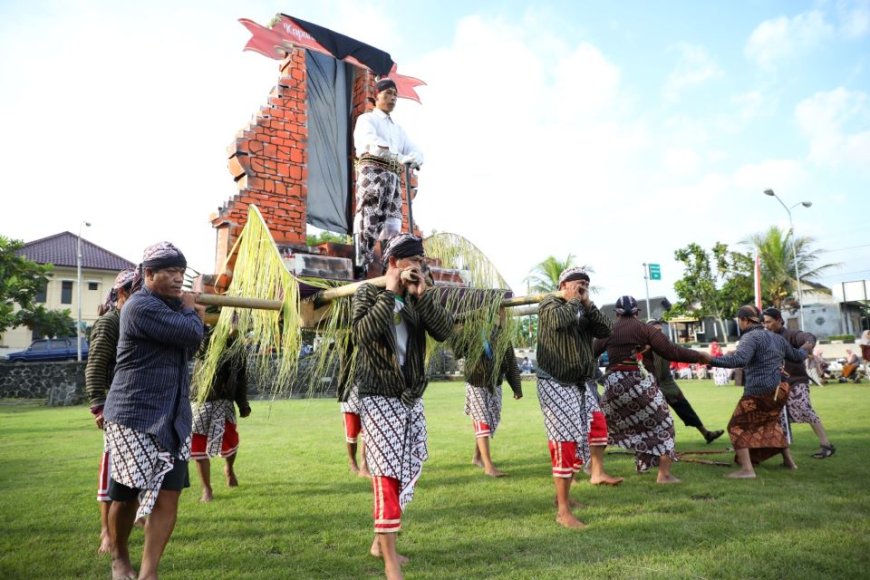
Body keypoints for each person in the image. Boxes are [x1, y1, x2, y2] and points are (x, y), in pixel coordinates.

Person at [352, 234, 452, 580]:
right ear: (395, 262)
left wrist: (421, 295)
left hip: (410, 396)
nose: (419, 267)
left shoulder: (420, 293)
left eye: (421, 262)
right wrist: (391, 293)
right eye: (413, 262)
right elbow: (362, 334)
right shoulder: (368, 291)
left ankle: (381, 544)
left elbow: (444, 331)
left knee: (408, 468)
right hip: (378, 395)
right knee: (386, 475)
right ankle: (390, 561)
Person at [102, 242, 205, 580]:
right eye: (170, 273)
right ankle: (119, 557)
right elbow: (192, 334)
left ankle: (149, 573)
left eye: (181, 273)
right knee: (127, 494)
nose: (178, 279)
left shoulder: (171, 307)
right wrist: (194, 308)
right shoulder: (140, 306)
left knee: (169, 495)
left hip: (173, 417)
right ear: (148, 275)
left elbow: (192, 340)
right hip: (135, 416)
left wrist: (190, 308)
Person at [536, 267, 622, 530]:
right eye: (578, 284)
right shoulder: (549, 303)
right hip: (554, 383)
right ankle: (562, 511)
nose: (582, 287)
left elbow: (606, 330)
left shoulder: (583, 308)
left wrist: (587, 303)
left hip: (579, 385)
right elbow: (557, 322)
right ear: (564, 284)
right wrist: (572, 299)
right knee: (564, 443)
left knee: (581, 437)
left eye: (586, 284)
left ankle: (565, 500)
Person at [594, 300, 705, 484]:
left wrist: (595, 377)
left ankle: (596, 472)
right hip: (638, 382)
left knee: (603, 428)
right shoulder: (645, 329)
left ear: (617, 314)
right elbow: (671, 351)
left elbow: (589, 353)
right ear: (637, 312)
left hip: (613, 383)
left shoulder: (609, 330)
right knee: (664, 424)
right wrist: (701, 357)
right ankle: (664, 475)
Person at [706, 305, 810, 479]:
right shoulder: (776, 338)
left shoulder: (750, 337)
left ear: (744, 320)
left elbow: (739, 359)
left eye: (739, 321)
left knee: (736, 426)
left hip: (759, 391)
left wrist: (710, 360)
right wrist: (808, 344)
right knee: (770, 424)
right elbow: (798, 356)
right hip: (780, 389)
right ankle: (789, 462)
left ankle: (747, 470)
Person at [86, 268, 137, 554]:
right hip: (114, 407)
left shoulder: (135, 320)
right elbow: (94, 366)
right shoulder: (110, 323)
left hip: (135, 407)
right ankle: (106, 531)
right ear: (121, 293)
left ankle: (132, 518)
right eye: (135, 291)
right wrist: (98, 406)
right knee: (111, 471)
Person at [352, 78, 424, 275]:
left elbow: (414, 149)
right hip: (373, 174)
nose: (392, 98)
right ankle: (359, 269)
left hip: (392, 178)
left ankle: (388, 269)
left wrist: (415, 158)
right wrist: (400, 156)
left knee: (392, 224)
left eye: (394, 95)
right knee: (369, 219)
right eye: (387, 94)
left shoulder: (398, 129)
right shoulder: (367, 120)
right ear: (376, 96)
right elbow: (374, 144)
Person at [761, 308, 835, 459]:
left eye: (769, 322)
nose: (766, 325)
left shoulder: (791, 335)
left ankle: (826, 445)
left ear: (779, 319)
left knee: (804, 409)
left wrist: (804, 348)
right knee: (775, 417)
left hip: (796, 381)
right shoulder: (765, 338)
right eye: (764, 322)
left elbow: (810, 337)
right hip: (776, 384)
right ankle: (779, 454)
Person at [455, 319, 523, 477]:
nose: (502, 314)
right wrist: (459, 329)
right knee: (482, 421)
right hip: (476, 382)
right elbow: (458, 352)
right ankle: (488, 466)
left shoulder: (502, 334)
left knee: (491, 420)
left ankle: (477, 457)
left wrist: (517, 388)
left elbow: (511, 362)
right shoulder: (471, 330)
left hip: (495, 384)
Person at [190, 333, 252, 502]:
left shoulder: (237, 346)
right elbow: (199, 352)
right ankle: (207, 489)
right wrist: (208, 329)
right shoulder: (203, 336)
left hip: (225, 401)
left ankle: (229, 469)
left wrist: (243, 404)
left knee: (231, 442)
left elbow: (241, 377)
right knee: (198, 446)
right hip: (201, 400)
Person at [647, 319, 724, 444]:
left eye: (661, 330)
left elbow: (682, 353)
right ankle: (653, 443)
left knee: (685, 408)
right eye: (657, 331)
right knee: (655, 416)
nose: (660, 333)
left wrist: (698, 356)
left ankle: (706, 433)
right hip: (650, 386)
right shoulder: (643, 348)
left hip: (667, 383)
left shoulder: (667, 344)